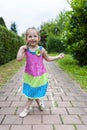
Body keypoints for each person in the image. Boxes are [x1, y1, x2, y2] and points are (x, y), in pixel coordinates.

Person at [17, 27, 64, 118]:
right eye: (30, 36)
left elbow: (48, 58)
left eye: (35, 36)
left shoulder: (41, 49)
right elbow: (19, 59)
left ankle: (26, 108)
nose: (33, 38)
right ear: (26, 39)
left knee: (32, 91)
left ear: (39, 38)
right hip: (29, 74)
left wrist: (58, 56)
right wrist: (21, 48)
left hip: (39, 74)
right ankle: (39, 103)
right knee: (32, 90)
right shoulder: (26, 49)